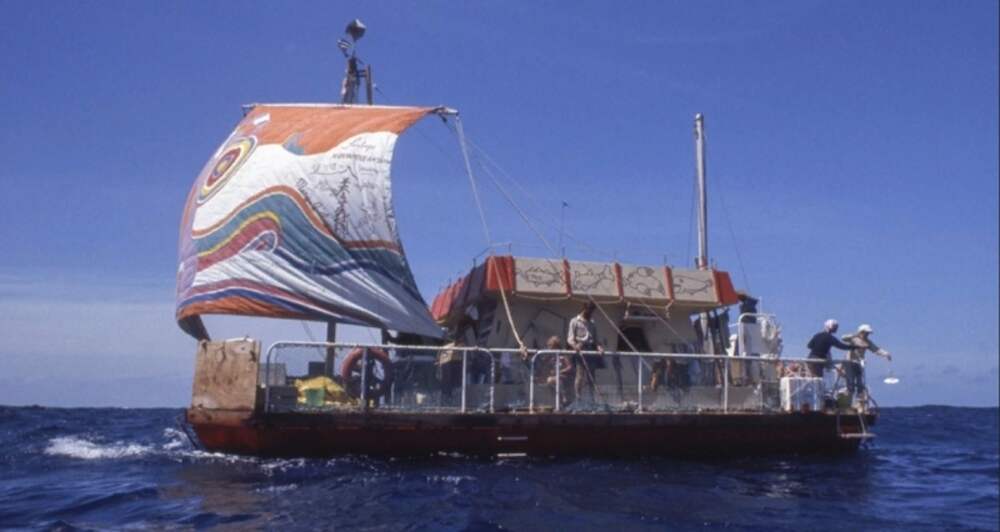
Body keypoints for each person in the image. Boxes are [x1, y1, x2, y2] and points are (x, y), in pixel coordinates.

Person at [842, 324, 891, 407]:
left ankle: (859, 401)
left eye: (868, 333)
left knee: (860, 383)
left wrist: (886, 354)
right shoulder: (853, 339)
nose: (867, 334)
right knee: (850, 383)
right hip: (849, 362)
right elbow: (843, 338)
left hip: (859, 363)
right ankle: (846, 403)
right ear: (862, 332)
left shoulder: (867, 342)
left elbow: (876, 349)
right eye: (866, 333)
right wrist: (855, 334)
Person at [567, 301, 605, 403]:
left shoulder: (592, 323)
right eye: (590, 311)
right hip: (581, 351)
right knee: (580, 375)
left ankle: (592, 399)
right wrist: (575, 346)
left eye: (592, 311)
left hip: (591, 351)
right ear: (585, 309)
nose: (591, 313)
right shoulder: (574, 321)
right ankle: (578, 398)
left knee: (591, 376)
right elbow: (570, 339)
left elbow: (596, 340)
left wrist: (599, 347)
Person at [542, 336, 574, 407]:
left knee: (556, 379)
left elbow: (570, 367)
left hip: (566, 377)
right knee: (549, 380)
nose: (549, 348)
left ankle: (564, 397)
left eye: (550, 345)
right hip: (556, 377)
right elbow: (545, 364)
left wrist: (560, 371)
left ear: (555, 346)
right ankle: (558, 400)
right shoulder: (551, 356)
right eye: (548, 346)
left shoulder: (563, 354)